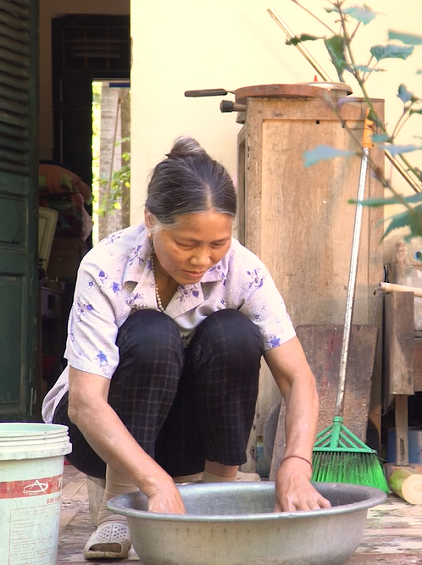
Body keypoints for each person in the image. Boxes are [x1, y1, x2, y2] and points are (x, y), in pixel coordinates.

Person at [41, 137, 330, 560]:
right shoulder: (105, 266)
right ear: (150, 220)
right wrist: (156, 484)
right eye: (187, 244)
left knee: (233, 333)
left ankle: (218, 495)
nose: (203, 260)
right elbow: (85, 404)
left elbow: (296, 376)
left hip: (188, 434)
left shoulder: (243, 269)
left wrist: (297, 463)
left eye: (217, 243)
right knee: (151, 333)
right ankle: (117, 508)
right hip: (97, 436)